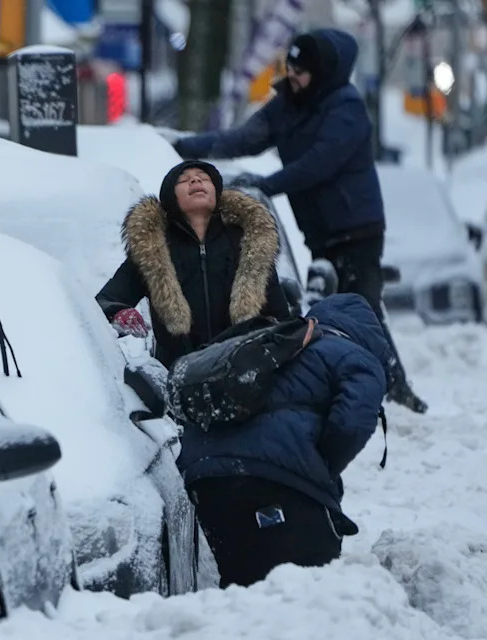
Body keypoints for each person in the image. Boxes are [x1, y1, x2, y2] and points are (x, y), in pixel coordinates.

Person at [171, 28, 427, 414]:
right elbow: (246, 138)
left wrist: (266, 184)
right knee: (342, 307)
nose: (293, 75)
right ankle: (371, 383)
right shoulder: (290, 101)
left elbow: (320, 163)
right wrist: (183, 146)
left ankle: (397, 389)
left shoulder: (346, 106)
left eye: (301, 70)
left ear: (321, 71)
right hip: (320, 229)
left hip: (357, 227)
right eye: (289, 66)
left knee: (363, 308)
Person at [178, 292, 390, 588]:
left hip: (204, 479)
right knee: (309, 584)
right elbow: (351, 422)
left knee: (242, 588)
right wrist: (322, 467)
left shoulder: (283, 343)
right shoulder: (358, 356)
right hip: (274, 481)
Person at [95, 160, 290, 368]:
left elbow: (283, 324)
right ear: (171, 198)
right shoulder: (152, 251)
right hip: (180, 380)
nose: (196, 180)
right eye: (184, 180)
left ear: (217, 193)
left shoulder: (249, 245)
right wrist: (119, 313)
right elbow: (105, 302)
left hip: (244, 375)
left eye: (203, 178)